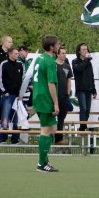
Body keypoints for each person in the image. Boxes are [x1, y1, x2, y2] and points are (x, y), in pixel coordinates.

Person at [33, 35, 60, 172]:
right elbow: (51, 84)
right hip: (45, 99)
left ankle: (44, 159)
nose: (59, 45)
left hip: (39, 96)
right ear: (51, 47)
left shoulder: (39, 58)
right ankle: (41, 163)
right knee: (46, 130)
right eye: (57, 44)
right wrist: (56, 103)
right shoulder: (49, 61)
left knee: (53, 129)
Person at [0, 47, 23, 144]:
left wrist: (20, 93)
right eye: (16, 53)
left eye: (18, 53)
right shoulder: (4, 64)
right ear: (10, 54)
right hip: (8, 95)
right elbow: (0, 79)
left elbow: (22, 79)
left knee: (16, 117)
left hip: (17, 96)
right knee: (5, 116)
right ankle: (2, 138)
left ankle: (15, 138)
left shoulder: (20, 65)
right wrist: (5, 91)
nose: (17, 55)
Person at [72, 43, 97, 131]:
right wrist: (86, 60)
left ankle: (83, 126)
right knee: (83, 108)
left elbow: (91, 76)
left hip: (89, 89)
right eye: (83, 49)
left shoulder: (88, 63)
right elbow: (79, 69)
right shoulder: (75, 61)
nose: (86, 51)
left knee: (88, 109)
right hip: (80, 89)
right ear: (79, 51)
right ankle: (82, 127)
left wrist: (94, 90)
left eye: (86, 49)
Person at [55, 47, 73, 145]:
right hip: (54, 95)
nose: (64, 55)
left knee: (62, 117)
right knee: (53, 117)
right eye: (62, 53)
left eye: (65, 53)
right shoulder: (53, 65)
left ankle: (59, 139)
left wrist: (68, 93)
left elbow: (69, 79)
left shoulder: (67, 66)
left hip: (64, 95)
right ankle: (50, 137)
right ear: (57, 54)